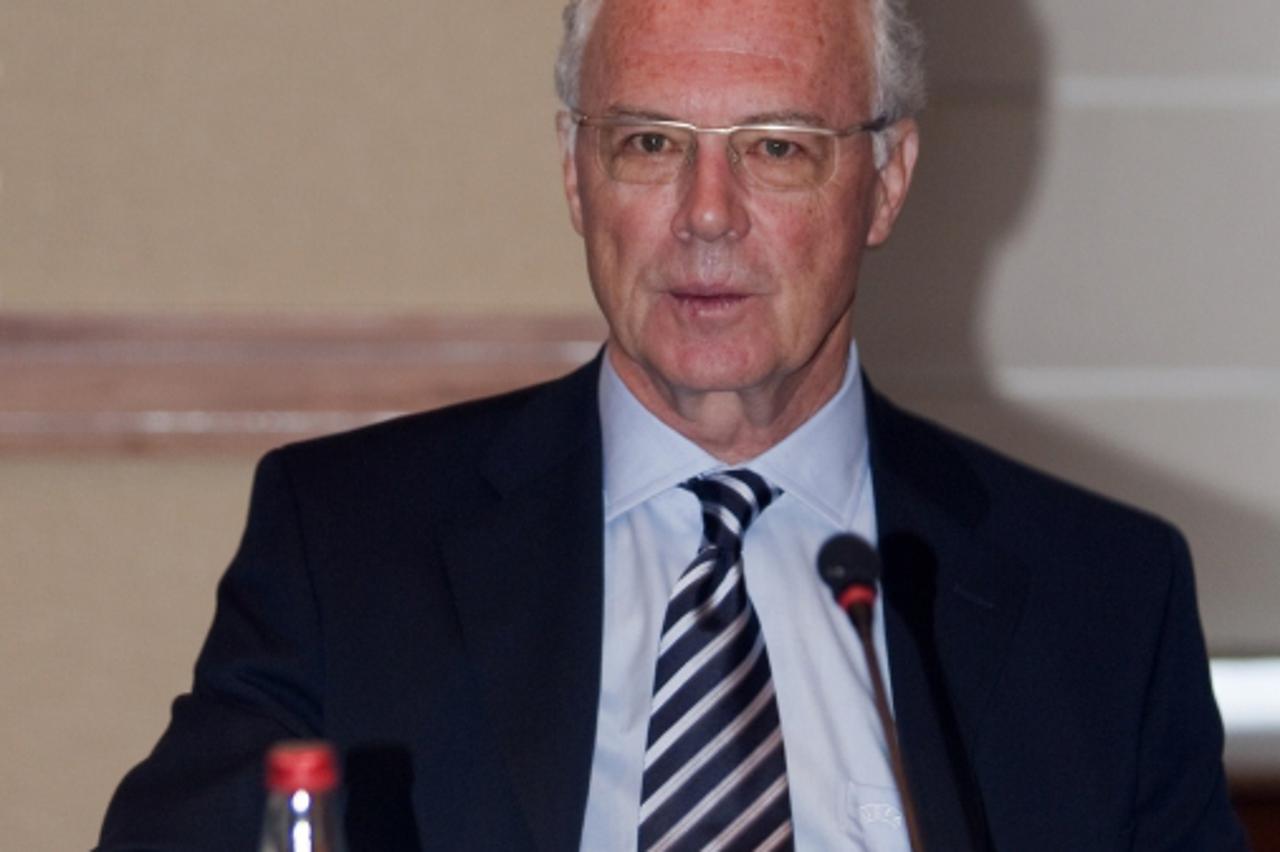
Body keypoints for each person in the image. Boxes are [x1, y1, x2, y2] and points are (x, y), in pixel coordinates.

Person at [98, 0, 1245, 849]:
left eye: (776, 149)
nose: (706, 216)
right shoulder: (348, 544)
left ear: (886, 179)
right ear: (572, 171)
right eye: (649, 143)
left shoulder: (1101, 601)